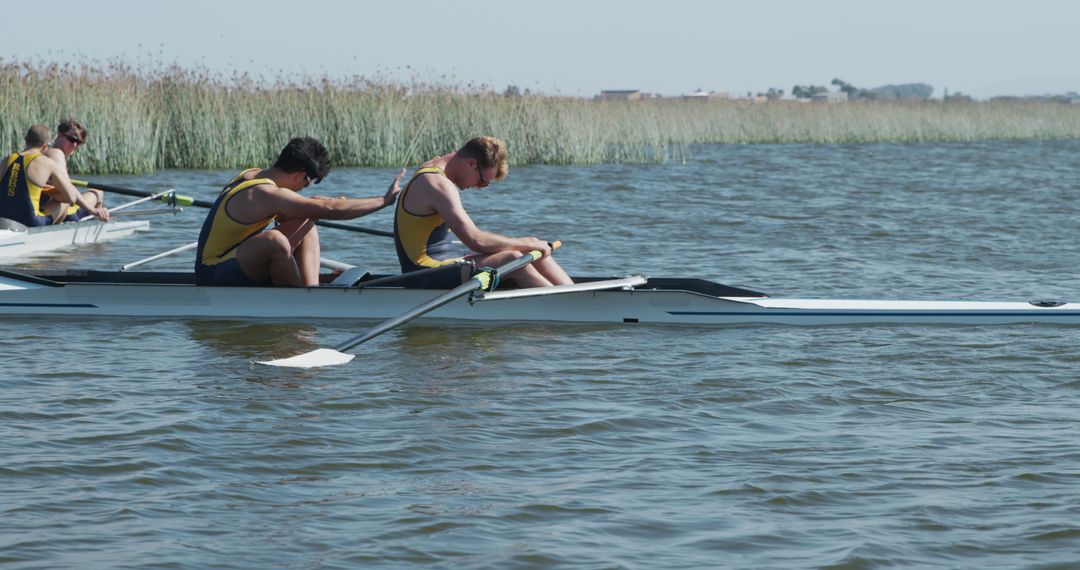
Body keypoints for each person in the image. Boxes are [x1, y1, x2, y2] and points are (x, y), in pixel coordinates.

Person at [195, 136, 404, 287]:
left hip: (235, 260)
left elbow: (303, 210)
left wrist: (315, 205)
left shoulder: (253, 175)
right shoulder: (263, 193)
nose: (306, 188)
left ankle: (311, 286)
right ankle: (304, 301)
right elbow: (330, 210)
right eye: (308, 183)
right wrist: (384, 201)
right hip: (212, 273)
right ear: (299, 175)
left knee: (306, 220)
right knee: (273, 240)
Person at [393, 135, 571, 288]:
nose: (479, 187)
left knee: (530, 245)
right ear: (471, 163)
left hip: (446, 258)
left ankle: (574, 295)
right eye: (482, 181)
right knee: (512, 258)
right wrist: (527, 244)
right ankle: (565, 308)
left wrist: (530, 243)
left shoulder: (436, 167)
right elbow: (477, 241)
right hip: (422, 272)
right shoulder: (437, 183)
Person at [0, 124, 109, 227]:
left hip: (2, 219)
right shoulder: (48, 163)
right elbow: (71, 197)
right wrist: (51, 191)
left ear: (25, 140)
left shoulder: (6, 159)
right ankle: (56, 233)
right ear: (45, 146)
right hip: (30, 222)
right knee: (63, 203)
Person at [41, 118, 108, 222]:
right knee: (98, 193)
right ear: (59, 135)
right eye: (72, 139)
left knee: (97, 192)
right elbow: (68, 190)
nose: (75, 145)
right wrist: (93, 210)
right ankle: (100, 222)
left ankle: (97, 220)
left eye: (79, 142)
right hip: (65, 213)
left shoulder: (44, 152)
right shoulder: (56, 154)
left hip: (50, 208)